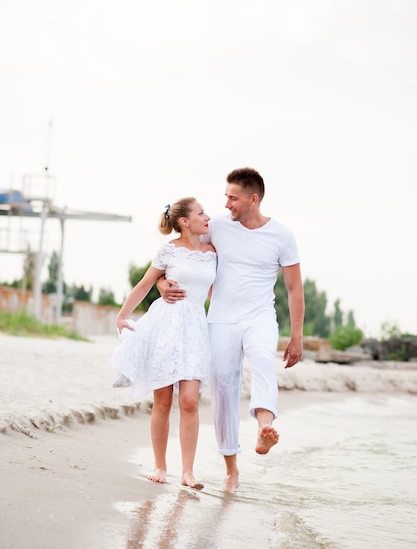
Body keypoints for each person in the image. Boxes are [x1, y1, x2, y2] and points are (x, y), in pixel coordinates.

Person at [157, 168, 304, 493]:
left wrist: (297, 336)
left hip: (260, 317)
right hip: (221, 319)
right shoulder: (217, 227)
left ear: (253, 199)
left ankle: (265, 428)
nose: (226, 204)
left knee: (264, 360)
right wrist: (161, 282)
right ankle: (231, 469)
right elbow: (179, 249)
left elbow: (295, 288)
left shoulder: (282, 235)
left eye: (232, 198)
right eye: (225, 197)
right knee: (224, 390)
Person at [110, 197, 216, 490]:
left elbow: (216, 291)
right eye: (201, 213)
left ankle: (188, 472)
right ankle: (160, 465)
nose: (207, 216)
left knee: (190, 400)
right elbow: (146, 283)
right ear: (184, 221)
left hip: (196, 329)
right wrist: (122, 315)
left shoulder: (212, 251)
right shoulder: (168, 250)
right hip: (166, 327)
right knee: (164, 400)